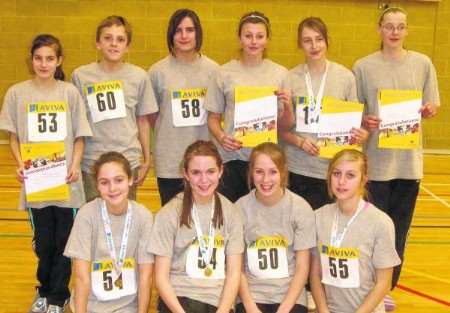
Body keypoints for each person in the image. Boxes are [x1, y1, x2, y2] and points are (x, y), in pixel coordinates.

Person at [0, 34, 92, 313]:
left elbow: (80, 136)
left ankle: (58, 295)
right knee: (44, 242)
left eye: (49, 58)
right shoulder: (17, 93)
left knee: (65, 241)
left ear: (59, 61)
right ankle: (44, 288)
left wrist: (75, 165)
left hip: (66, 181)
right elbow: (13, 136)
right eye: (38, 58)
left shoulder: (69, 93)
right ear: (31, 60)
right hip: (37, 181)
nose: (43, 63)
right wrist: (19, 163)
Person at [352, 6, 439, 295]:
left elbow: (432, 105)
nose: (394, 32)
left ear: (407, 30)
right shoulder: (363, 66)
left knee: (398, 233)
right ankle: (368, 286)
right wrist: (365, 119)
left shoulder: (423, 63)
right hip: (376, 163)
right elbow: (355, 111)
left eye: (400, 27)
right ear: (379, 29)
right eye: (389, 26)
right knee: (372, 230)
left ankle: (386, 290)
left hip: (408, 165)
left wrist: (428, 110)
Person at [280, 17, 367, 210]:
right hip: (298, 168)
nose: (314, 45)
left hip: (334, 171)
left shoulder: (345, 77)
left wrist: (361, 134)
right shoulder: (290, 77)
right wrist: (301, 142)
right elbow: (282, 130)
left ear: (327, 41)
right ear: (299, 44)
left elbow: (354, 126)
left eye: (319, 39)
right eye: (307, 40)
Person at [205, 11, 292, 202]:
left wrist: (287, 105)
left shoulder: (280, 74)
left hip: (266, 163)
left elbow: (286, 126)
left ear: (267, 39)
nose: (254, 41)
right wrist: (221, 137)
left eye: (259, 36)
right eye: (248, 36)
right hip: (232, 159)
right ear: (240, 38)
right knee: (230, 218)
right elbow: (212, 118)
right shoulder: (223, 73)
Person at [149, 140, 244, 313]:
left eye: (210, 171)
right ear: (185, 173)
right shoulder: (169, 213)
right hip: (179, 300)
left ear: (221, 171)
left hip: (218, 301)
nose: (204, 180)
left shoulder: (232, 212)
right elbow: (161, 278)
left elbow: (234, 273)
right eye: (196, 173)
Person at [71, 15, 158, 202]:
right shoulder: (81, 76)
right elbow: (75, 123)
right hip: (91, 161)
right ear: (97, 43)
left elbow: (142, 120)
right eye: (107, 38)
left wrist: (146, 159)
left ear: (127, 46)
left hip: (127, 160)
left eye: (120, 39)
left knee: (125, 218)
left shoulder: (139, 77)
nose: (113, 44)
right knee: (94, 220)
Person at [310, 149, 401, 313]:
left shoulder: (380, 222)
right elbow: (315, 274)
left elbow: (384, 283)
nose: (341, 182)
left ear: (363, 180)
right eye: (336, 174)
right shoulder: (318, 217)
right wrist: (323, 310)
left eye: (350, 175)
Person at [64, 152, 154, 313]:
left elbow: (145, 276)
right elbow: (81, 278)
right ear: (97, 186)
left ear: (130, 180)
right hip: (90, 306)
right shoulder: (86, 215)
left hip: (128, 308)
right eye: (104, 182)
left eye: (119, 180)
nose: (112, 188)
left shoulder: (143, 217)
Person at [149, 9, 219, 206]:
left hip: (204, 159)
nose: (184, 35)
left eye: (190, 30)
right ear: (171, 34)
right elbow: (153, 116)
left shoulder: (214, 71)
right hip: (170, 160)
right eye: (178, 30)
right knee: (172, 218)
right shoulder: (157, 72)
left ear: (198, 33)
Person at [236, 143, 315, 313]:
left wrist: (286, 307)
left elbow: (302, 267)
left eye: (273, 172)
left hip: (290, 295)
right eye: (259, 172)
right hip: (251, 295)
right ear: (251, 172)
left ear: (283, 172)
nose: (265, 180)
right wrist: (250, 306)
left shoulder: (300, 208)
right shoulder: (239, 209)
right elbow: (237, 266)